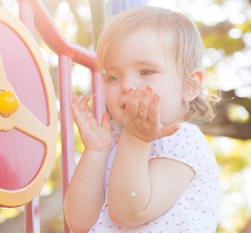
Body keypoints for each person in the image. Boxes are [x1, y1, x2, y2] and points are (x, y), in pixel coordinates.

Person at [64, 6, 220, 233]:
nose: (126, 85)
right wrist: (96, 151)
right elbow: (80, 222)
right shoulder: (116, 144)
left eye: (146, 71)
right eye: (113, 76)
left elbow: (129, 212)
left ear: (189, 85)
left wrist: (136, 139)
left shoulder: (183, 142)